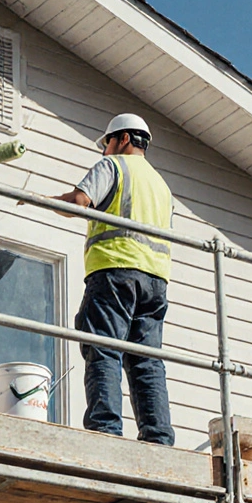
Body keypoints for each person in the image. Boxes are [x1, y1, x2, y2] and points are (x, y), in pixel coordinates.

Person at [49, 113, 175, 445]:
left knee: (103, 348)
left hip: (115, 271)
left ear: (121, 139)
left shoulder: (113, 167)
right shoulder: (162, 187)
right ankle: (158, 438)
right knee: (146, 360)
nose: (105, 151)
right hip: (155, 282)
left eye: (107, 143)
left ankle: (105, 433)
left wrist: (46, 202)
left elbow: (79, 203)